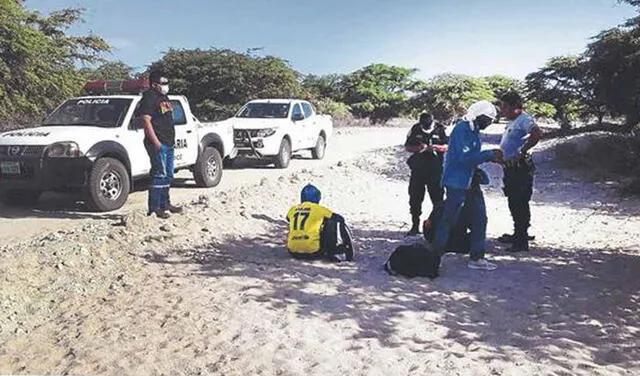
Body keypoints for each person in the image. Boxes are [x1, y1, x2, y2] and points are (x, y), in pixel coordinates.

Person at [433, 100, 503, 271]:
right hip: (457, 182)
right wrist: (489, 155)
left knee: (480, 217)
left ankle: (477, 257)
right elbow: (464, 157)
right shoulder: (462, 129)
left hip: (470, 180)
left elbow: (471, 157)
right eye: (487, 119)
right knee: (449, 218)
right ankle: (435, 255)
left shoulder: (474, 130)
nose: (489, 123)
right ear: (478, 116)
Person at [498, 91, 543, 252]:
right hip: (511, 168)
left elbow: (536, 133)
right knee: (514, 201)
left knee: (519, 201)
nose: (502, 110)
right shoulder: (513, 121)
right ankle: (518, 233)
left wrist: (521, 152)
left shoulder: (524, 119)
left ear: (514, 107)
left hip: (520, 167)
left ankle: (521, 240)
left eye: (504, 107)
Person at [137, 70, 183, 219]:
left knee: (168, 174)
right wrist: (156, 142)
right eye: (163, 83)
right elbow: (145, 120)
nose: (165, 86)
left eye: (166, 83)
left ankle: (165, 203)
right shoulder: (149, 98)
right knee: (159, 174)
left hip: (168, 142)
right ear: (154, 84)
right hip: (157, 143)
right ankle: (155, 207)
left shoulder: (164, 97)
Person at [404, 113, 449, 236]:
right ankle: (415, 226)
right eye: (423, 126)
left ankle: (437, 226)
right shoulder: (415, 128)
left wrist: (435, 148)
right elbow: (407, 147)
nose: (425, 128)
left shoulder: (440, 129)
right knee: (415, 198)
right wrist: (419, 148)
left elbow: (447, 146)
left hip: (435, 170)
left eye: (427, 126)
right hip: (418, 170)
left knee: (438, 199)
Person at [286, 184, 353, 261]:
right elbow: (338, 218)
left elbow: (288, 218)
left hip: (293, 252)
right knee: (331, 222)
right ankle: (336, 251)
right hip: (313, 252)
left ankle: (297, 244)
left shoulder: (293, 209)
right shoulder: (319, 209)